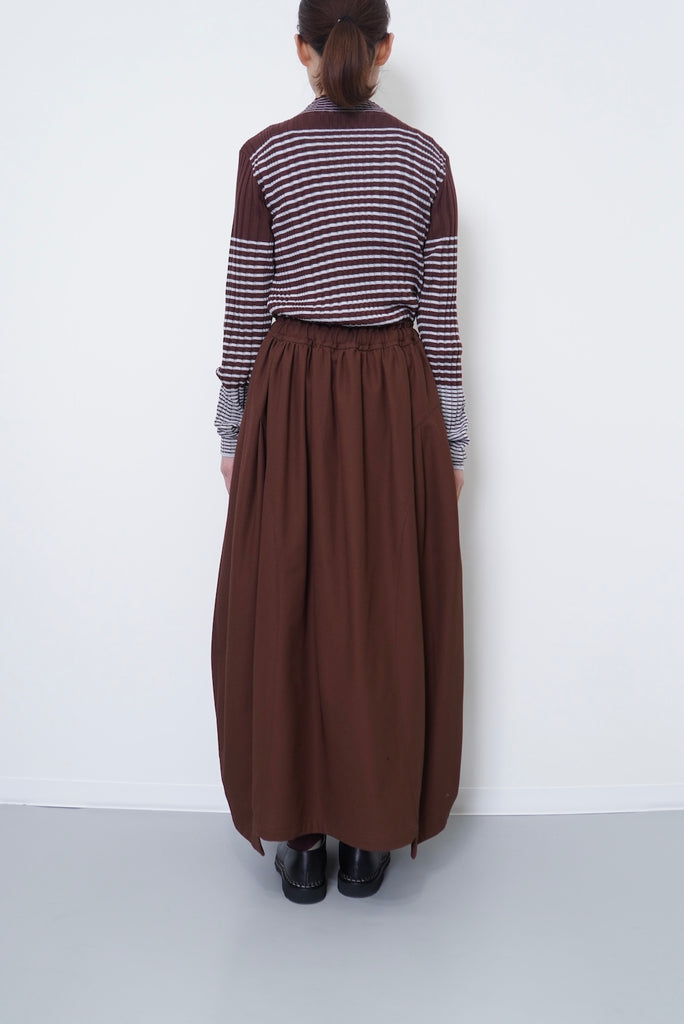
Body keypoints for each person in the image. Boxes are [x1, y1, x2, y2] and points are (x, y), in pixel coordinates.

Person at [211, 0, 469, 905]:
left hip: (292, 395)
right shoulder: (427, 160)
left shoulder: (265, 155)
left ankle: (301, 837)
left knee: (287, 608)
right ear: (385, 47)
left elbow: (246, 305)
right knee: (382, 611)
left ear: (302, 51)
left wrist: (232, 426)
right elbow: (440, 321)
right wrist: (455, 442)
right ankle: (369, 835)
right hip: (393, 398)